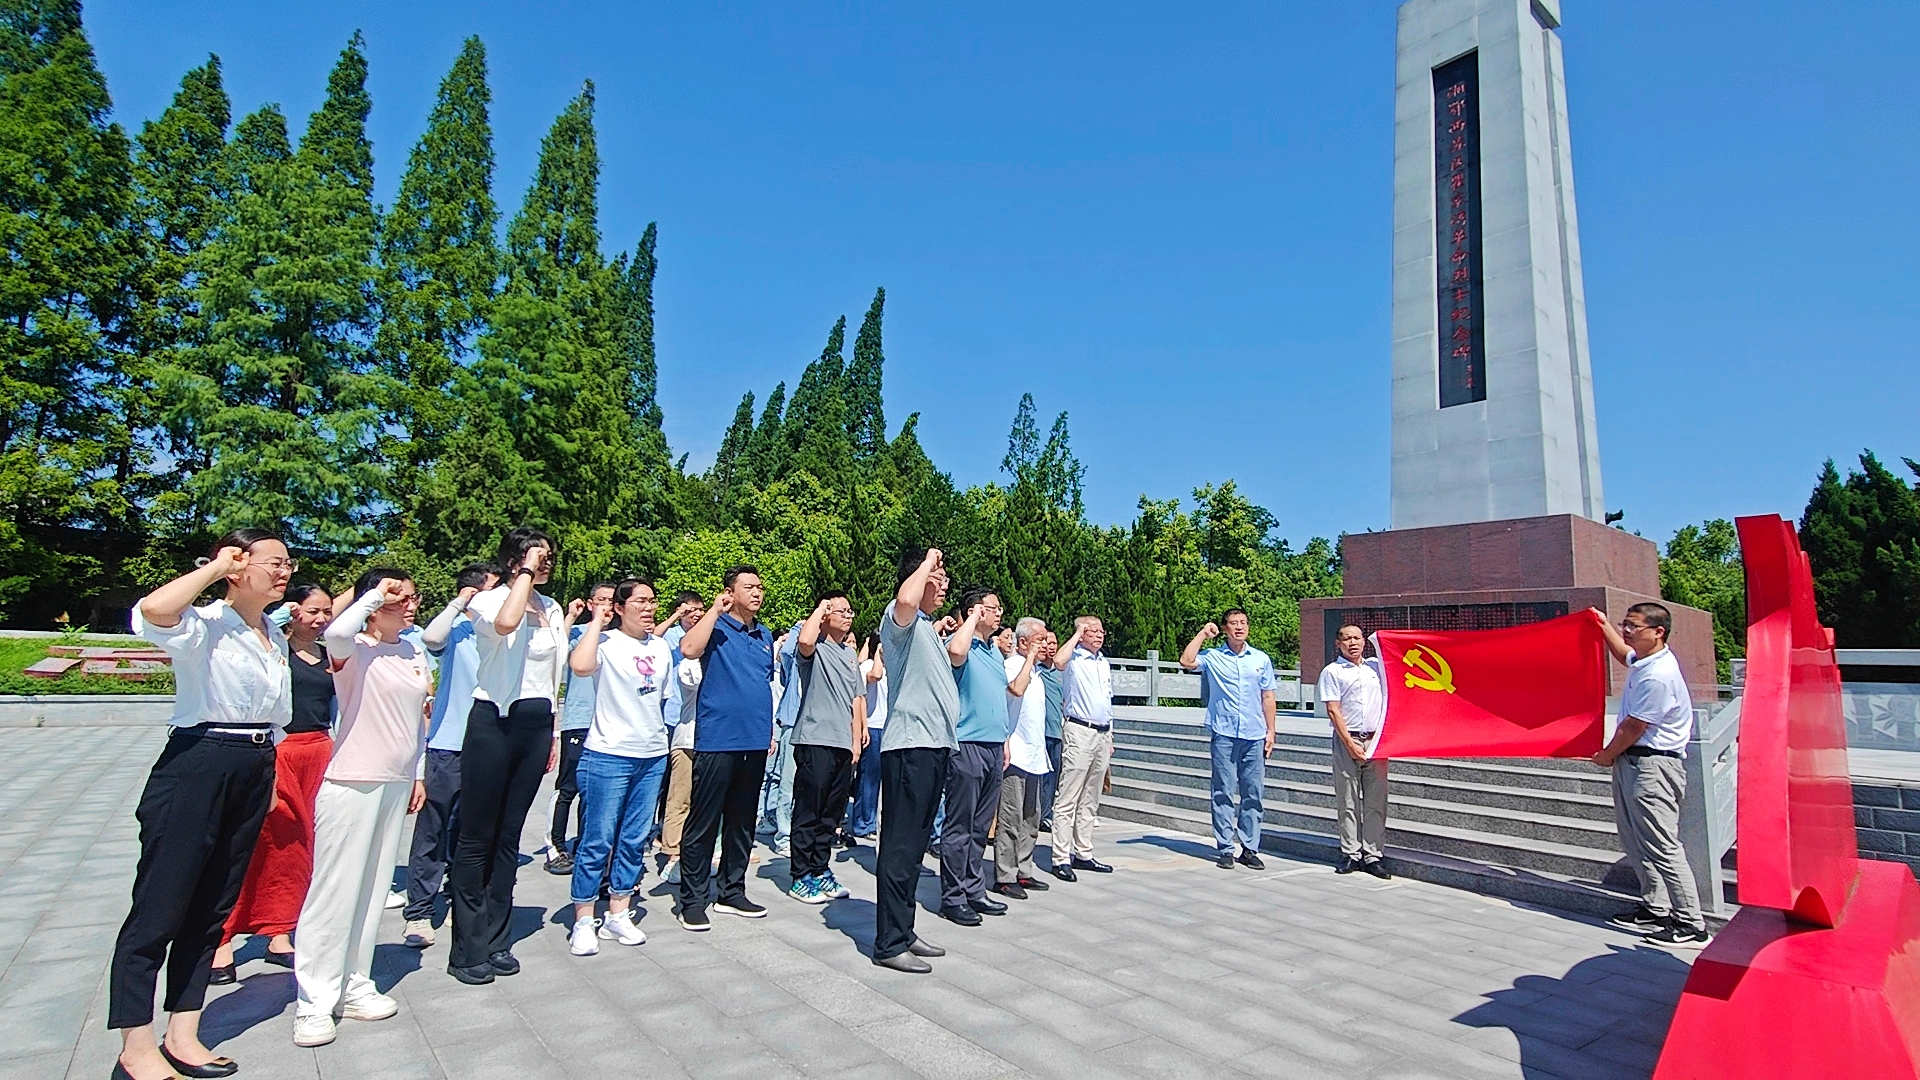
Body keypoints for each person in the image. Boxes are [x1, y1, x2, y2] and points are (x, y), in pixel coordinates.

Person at [113, 530, 292, 1080]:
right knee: (161, 904)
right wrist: (216, 569)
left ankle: (183, 1032)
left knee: (214, 904)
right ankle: (135, 1044)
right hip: (199, 761)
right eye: (273, 562)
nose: (284, 571)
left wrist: (267, 779)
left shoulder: (273, 632)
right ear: (237, 567)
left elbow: (275, 714)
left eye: (288, 562)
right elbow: (153, 609)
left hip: (254, 762)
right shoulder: (205, 623)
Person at [291, 571, 431, 1047]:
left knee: (372, 889)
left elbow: (419, 720)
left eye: (413, 597)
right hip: (352, 780)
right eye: (399, 597)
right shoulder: (353, 649)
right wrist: (374, 593)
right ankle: (313, 1001)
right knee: (335, 889)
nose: (409, 604)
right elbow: (333, 631)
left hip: (394, 783)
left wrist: (417, 772)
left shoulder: (413, 650)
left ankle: (353, 983)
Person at [447, 527, 567, 985]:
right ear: (516, 561)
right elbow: (505, 625)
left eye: (549, 555)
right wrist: (522, 576)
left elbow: (552, 674)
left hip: (535, 726)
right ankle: (467, 947)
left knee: (509, 836)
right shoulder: (489, 600)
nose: (547, 562)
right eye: (539, 555)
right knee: (477, 835)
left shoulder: (553, 609)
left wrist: (552, 730)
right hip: (493, 723)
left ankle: (497, 937)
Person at [211, 583, 333, 984]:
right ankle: (221, 938)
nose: (320, 619)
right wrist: (284, 613)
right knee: (253, 843)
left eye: (326, 612)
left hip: (318, 751)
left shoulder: (329, 654)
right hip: (279, 750)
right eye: (312, 611)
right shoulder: (271, 643)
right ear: (293, 610)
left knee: (297, 847)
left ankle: (278, 930)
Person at [1591, 604, 1712, 948]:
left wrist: (1606, 755)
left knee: (1662, 845)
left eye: (1634, 626)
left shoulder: (1659, 675)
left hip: (1653, 766)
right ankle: (1655, 906)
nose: (1627, 631)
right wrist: (1601, 625)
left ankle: (1691, 922)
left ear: (1658, 631)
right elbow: (1624, 654)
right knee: (1635, 839)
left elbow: (1634, 726)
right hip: (1634, 763)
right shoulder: (1645, 662)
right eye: (1624, 625)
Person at [564, 578, 673, 955]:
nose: (648, 607)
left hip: (652, 752)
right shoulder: (605, 642)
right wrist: (597, 620)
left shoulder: (660, 647)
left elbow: (661, 698)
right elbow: (579, 667)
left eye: (652, 601)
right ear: (620, 607)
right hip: (608, 753)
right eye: (640, 601)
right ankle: (582, 917)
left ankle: (618, 911)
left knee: (633, 838)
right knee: (598, 839)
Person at [401, 563, 499, 948]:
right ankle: (420, 912)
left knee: (473, 834)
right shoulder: (458, 633)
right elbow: (431, 635)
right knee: (434, 830)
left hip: (488, 746)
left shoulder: (502, 634)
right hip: (448, 744)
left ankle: (463, 900)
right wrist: (462, 602)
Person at [674, 565, 777, 930]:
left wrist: (768, 731)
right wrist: (715, 610)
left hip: (754, 739)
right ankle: (693, 899)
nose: (757, 592)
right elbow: (687, 649)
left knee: (742, 821)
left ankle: (732, 891)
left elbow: (763, 684)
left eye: (760, 587)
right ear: (730, 592)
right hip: (718, 739)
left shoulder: (764, 634)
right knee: (704, 820)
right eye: (749, 587)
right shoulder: (714, 628)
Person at [871, 548, 960, 973]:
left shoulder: (925, 626)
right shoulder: (899, 616)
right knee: (900, 846)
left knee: (916, 847)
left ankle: (904, 930)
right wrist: (928, 561)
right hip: (910, 745)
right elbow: (906, 600)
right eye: (937, 579)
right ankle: (889, 942)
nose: (943, 586)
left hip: (934, 745)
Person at [939, 587, 1021, 925]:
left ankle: (974, 889)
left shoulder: (992, 651)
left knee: (979, 826)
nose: (999, 613)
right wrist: (971, 617)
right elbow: (955, 652)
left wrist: (1003, 740)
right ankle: (952, 895)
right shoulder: (962, 643)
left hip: (992, 746)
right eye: (993, 607)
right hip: (967, 745)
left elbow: (998, 701)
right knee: (960, 824)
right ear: (975, 611)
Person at [1181, 610, 1278, 870]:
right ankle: (1225, 846)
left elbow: (1267, 697)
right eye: (1233, 624)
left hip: (1254, 734)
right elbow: (1187, 661)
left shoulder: (1260, 659)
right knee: (1223, 790)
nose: (1239, 628)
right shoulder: (1214, 657)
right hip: (1224, 732)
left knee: (1253, 792)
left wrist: (1271, 731)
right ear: (1225, 629)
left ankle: (1249, 848)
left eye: (1243, 623)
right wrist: (1203, 633)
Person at [786, 592, 866, 903]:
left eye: (850, 610)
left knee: (831, 814)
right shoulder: (816, 648)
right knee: (809, 809)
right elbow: (805, 641)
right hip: (815, 738)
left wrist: (856, 738)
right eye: (841, 610)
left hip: (842, 743)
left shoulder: (849, 654)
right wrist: (821, 608)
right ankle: (800, 874)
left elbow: (856, 698)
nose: (848, 615)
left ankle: (820, 869)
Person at [548, 583, 615, 875]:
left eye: (611, 602)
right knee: (568, 786)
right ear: (590, 604)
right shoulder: (577, 633)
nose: (606, 607)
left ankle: (587, 845)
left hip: (609, 723)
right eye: (601, 601)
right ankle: (555, 845)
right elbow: (554, 651)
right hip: (579, 719)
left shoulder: (618, 638)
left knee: (596, 790)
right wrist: (570, 618)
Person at [1317, 624, 1391, 879]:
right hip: (1346, 740)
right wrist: (1349, 743)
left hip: (1376, 741)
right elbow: (1333, 711)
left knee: (1376, 801)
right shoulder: (1332, 671)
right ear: (1338, 644)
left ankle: (1373, 855)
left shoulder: (1376, 668)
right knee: (1347, 800)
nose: (1352, 643)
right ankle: (1351, 853)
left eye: (1357, 638)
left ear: (1364, 640)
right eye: (1346, 639)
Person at [1048, 615, 1115, 880]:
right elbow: (1058, 661)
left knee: (1091, 797)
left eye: (1101, 630)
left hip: (1102, 731)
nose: (1099, 635)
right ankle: (1060, 857)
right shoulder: (1074, 658)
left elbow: (1107, 700)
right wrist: (1076, 634)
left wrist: (1111, 734)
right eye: (1093, 630)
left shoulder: (1103, 662)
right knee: (1069, 795)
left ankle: (1084, 852)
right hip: (1079, 729)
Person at [994, 617, 1052, 899]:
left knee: (1031, 816)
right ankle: (1004, 874)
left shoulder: (1038, 672)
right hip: (1014, 754)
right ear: (1024, 642)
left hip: (1035, 754)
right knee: (1010, 817)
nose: (1045, 644)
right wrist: (1028, 657)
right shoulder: (1011, 666)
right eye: (1039, 639)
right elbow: (1015, 690)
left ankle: (1024, 869)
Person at [657, 594, 704, 885]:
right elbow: (653, 637)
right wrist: (677, 616)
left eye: (701, 610)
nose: (696, 615)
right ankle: (671, 849)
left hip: (705, 734)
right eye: (692, 610)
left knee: (695, 795)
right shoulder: (676, 640)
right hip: (675, 722)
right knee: (676, 792)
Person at [760, 623, 801, 857]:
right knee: (786, 783)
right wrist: (798, 627)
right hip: (792, 723)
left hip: (816, 727)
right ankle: (784, 835)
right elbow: (785, 653)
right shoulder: (794, 661)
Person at [846, 639, 887, 841]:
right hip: (873, 725)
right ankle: (863, 822)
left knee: (882, 779)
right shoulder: (868, 666)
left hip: (888, 727)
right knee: (868, 778)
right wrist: (878, 652)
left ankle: (875, 820)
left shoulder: (894, 666)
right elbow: (875, 677)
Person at [1037, 631, 1064, 832]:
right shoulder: (1035, 670)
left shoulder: (1061, 673)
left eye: (1054, 643)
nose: (1051, 647)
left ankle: (1046, 814)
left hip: (1057, 732)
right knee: (1038, 777)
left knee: (1052, 777)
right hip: (1039, 731)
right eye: (1047, 642)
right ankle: (1038, 814)